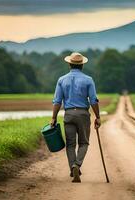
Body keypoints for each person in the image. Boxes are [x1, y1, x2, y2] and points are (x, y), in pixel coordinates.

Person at [50, 52, 101, 183]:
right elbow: (93, 101)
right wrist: (98, 117)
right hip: (83, 114)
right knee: (84, 142)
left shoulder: (61, 80)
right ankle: (76, 165)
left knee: (70, 144)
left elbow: (57, 101)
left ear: (69, 64)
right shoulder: (88, 80)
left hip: (69, 115)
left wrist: (53, 118)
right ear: (82, 65)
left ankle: (72, 166)